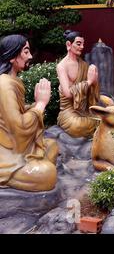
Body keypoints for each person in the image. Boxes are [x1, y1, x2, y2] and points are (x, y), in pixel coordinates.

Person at [0, 34, 58, 191]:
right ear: (12, 57)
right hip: (7, 155)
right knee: (48, 173)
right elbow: (18, 128)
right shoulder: (4, 85)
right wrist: (40, 104)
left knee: (52, 146)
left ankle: (33, 166)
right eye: (26, 52)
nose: (30, 56)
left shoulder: (14, 81)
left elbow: (13, 114)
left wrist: (32, 106)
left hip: (18, 146)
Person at [56, 30, 100, 138]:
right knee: (77, 126)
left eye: (83, 44)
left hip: (83, 109)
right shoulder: (62, 66)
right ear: (69, 44)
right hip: (68, 111)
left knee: (100, 118)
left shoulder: (84, 65)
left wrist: (94, 81)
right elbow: (67, 93)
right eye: (78, 44)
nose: (82, 47)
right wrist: (88, 82)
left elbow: (92, 94)